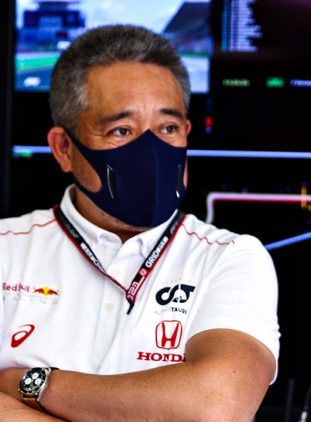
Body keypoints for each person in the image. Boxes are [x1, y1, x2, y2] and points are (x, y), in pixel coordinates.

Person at [0, 25, 279, 420]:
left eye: (168, 128)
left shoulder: (230, 258)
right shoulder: (6, 249)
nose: (150, 150)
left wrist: (32, 384)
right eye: (121, 130)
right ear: (63, 149)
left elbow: (216, 404)